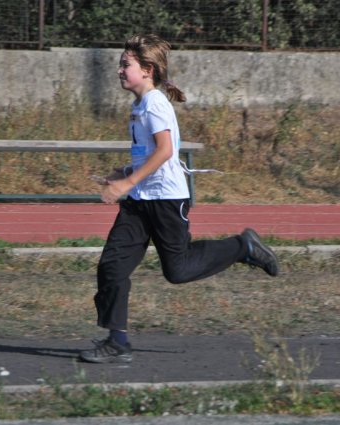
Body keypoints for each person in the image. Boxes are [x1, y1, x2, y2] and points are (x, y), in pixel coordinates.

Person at [79, 34, 279, 364]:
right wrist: (124, 172)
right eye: (120, 64)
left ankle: (243, 246)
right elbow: (149, 154)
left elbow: (166, 151)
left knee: (179, 270)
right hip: (140, 202)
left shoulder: (155, 104)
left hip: (166, 201)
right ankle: (117, 342)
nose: (119, 70)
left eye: (125, 64)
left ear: (147, 70)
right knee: (112, 266)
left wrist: (127, 182)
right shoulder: (140, 105)